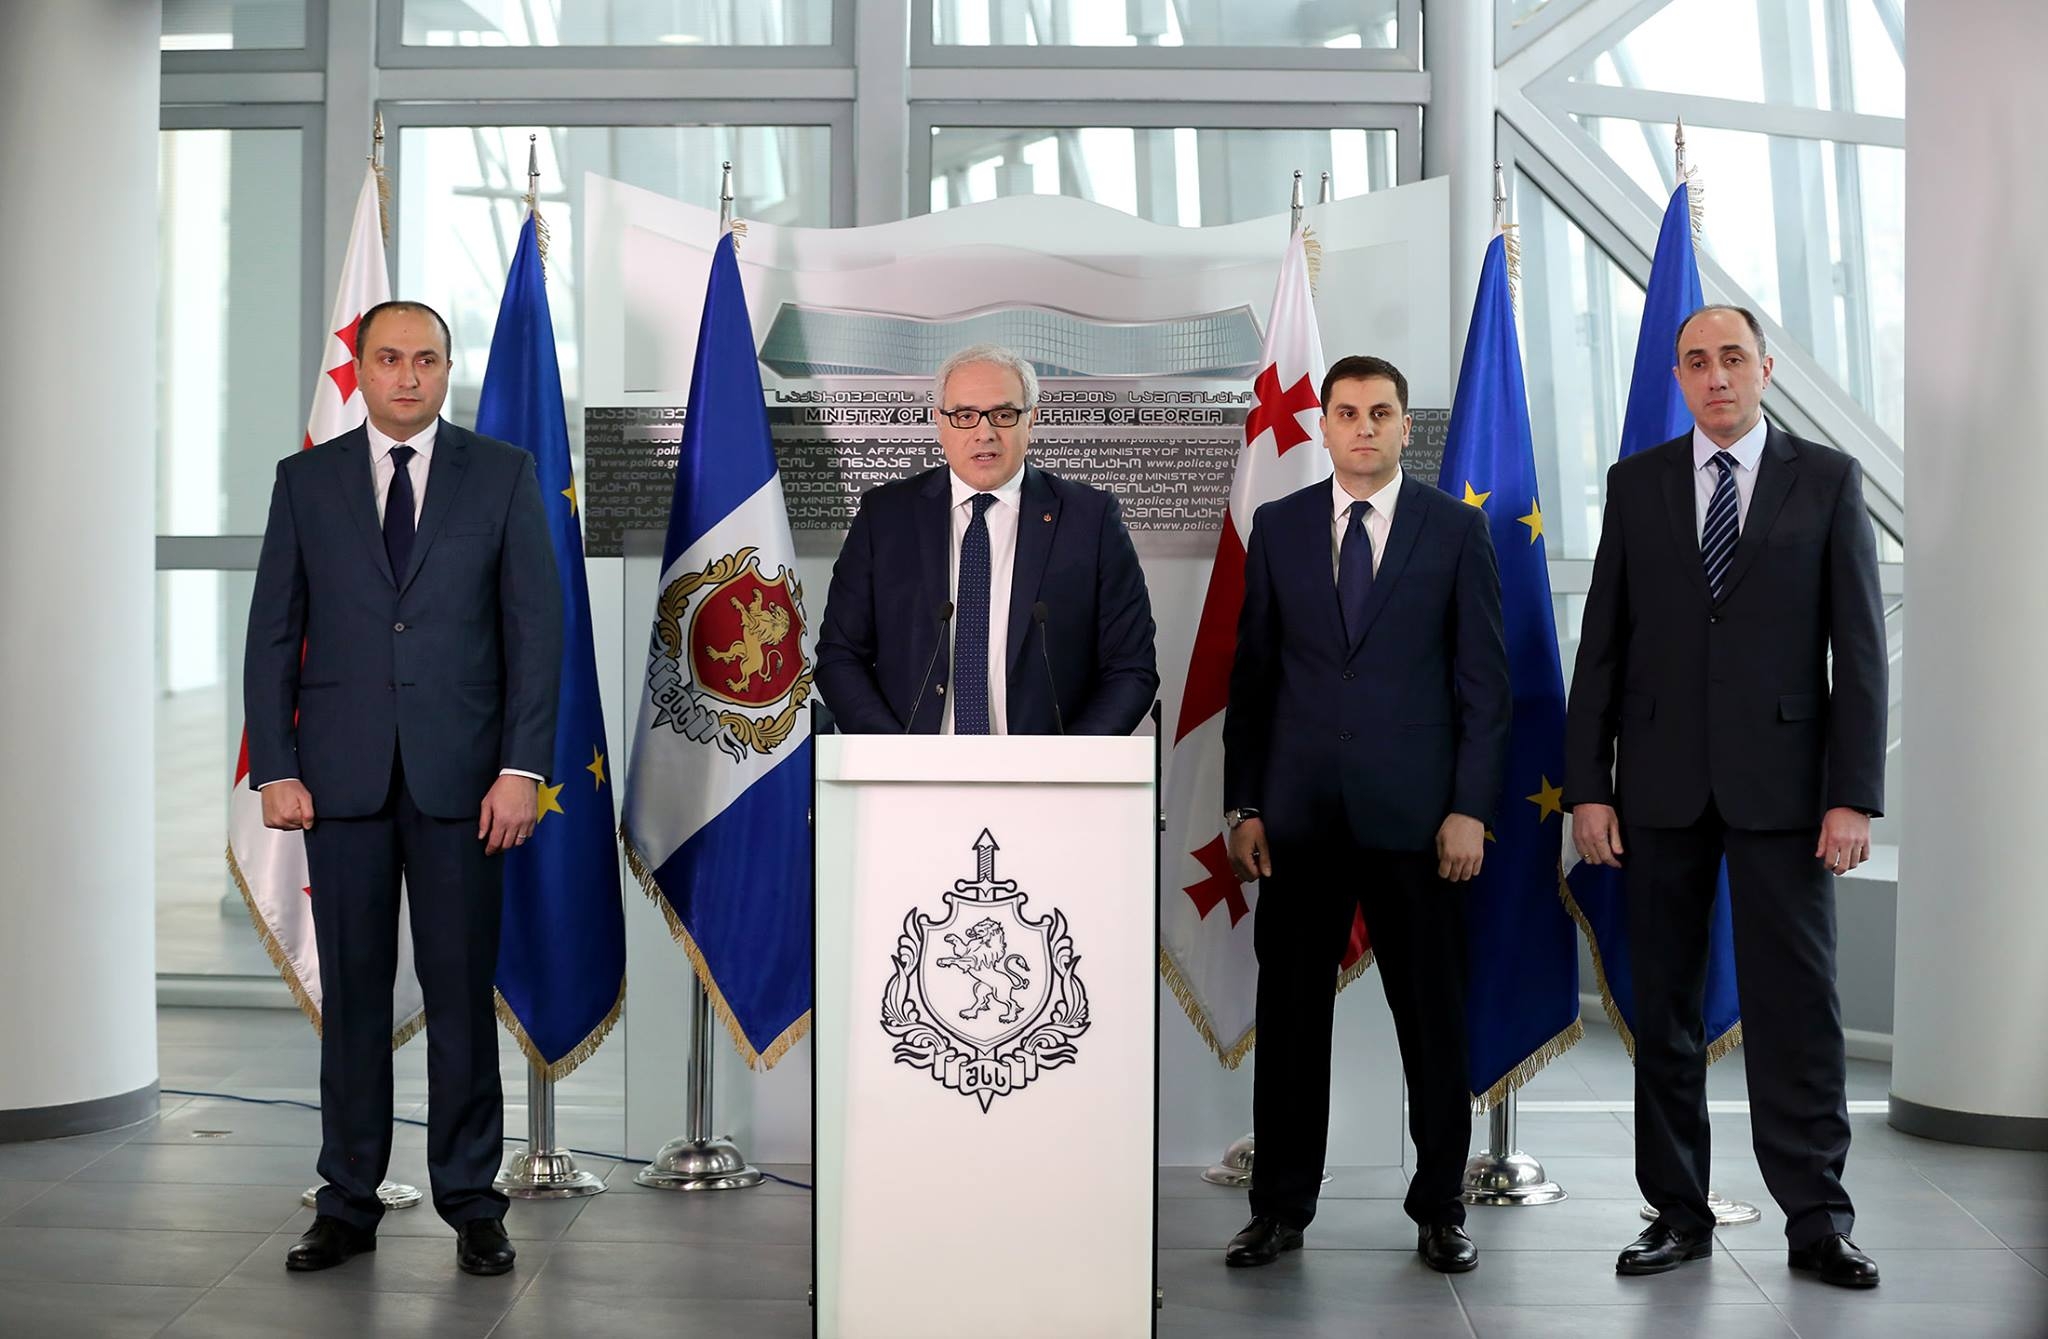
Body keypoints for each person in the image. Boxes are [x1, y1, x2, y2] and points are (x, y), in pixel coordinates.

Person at [1564, 304, 1886, 1289]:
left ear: (1765, 369)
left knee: (1797, 1009)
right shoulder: (1637, 484)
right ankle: (1675, 1211)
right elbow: (1602, 645)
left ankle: (1817, 1218)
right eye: (1696, 361)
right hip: (1657, 789)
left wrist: (1851, 795)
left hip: (1787, 794)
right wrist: (1588, 787)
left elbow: (1858, 653)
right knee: (1662, 1008)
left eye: (1732, 358)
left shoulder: (1826, 479)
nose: (1715, 376)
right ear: (1678, 377)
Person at [244, 300, 562, 1277]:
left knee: (462, 998)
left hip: (466, 785)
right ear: (364, 368)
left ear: (446, 368)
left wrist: (521, 768)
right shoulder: (305, 481)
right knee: (353, 1001)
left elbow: (535, 631)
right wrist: (277, 765)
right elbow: (272, 632)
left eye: (426, 359)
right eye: (389, 358)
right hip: (338, 783)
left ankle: (472, 1203)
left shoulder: (501, 474)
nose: (408, 376)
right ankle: (346, 1201)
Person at [1219, 355, 1509, 1273]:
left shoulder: (1456, 530)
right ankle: (1279, 1209)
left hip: (1421, 828)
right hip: (1298, 824)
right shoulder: (1279, 526)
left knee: (1432, 1023)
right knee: (1291, 1025)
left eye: (1381, 412)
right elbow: (1252, 681)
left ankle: (1440, 1208)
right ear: (1325, 426)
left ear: (1405, 425)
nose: (1363, 427)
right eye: (1346, 413)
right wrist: (1244, 803)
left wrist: (1469, 809)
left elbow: (1485, 688)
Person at [815, 343, 1158, 736]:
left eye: (1003, 415)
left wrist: (1070, 761)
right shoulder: (886, 516)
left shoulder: (1090, 519)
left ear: (1031, 420)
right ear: (939, 422)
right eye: (965, 416)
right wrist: (898, 755)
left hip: (1047, 769)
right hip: (910, 765)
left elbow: (1130, 668)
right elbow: (840, 656)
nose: (984, 433)